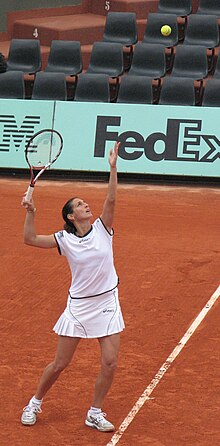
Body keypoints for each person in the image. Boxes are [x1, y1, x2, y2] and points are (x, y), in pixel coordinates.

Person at [21, 141, 125, 432]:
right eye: (79, 205)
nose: (85, 205)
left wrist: (113, 168)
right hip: (79, 307)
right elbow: (29, 239)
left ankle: (94, 412)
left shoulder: (104, 228)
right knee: (60, 364)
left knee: (110, 362)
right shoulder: (64, 240)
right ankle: (35, 402)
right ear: (70, 216)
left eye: (84, 202)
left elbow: (112, 201)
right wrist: (30, 211)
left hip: (107, 302)